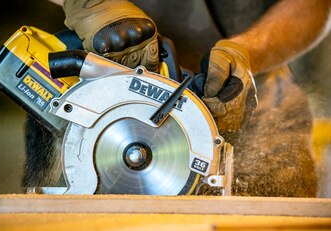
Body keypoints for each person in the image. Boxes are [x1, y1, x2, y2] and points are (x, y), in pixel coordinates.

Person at [24, 0, 331, 197]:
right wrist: (91, 4)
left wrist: (248, 52)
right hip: (96, 90)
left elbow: (313, 4)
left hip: (243, 93)